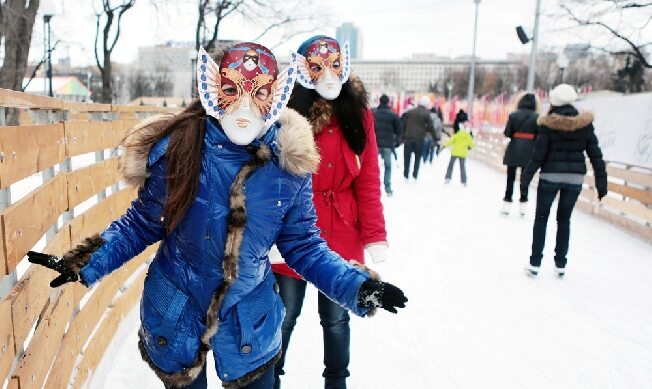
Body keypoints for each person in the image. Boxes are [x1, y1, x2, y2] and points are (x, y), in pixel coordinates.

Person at [27, 42, 407, 389]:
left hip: (249, 319)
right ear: (212, 88)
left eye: (258, 93)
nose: (244, 105)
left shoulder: (289, 166)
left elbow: (305, 247)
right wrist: (86, 261)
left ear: (276, 95)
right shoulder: (180, 150)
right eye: (231, 90)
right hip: (176, 310)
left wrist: (356, 286)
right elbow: (141, 225)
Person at [273, 36, 391, 389]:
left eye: (334, 64)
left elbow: (368, 176)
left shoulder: (358, 115)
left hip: (342, 228)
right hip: (294, 228)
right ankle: (269, 378)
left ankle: (336, 382)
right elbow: (271, 180)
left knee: (337, 318)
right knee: (284, 315)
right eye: (317, 66)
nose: (327, 74)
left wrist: (375, 234)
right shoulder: (288, 113)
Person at [520, 84, 607, 277]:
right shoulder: (584, 124)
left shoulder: (548, 124)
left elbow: (538, 155)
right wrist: (602, 182)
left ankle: (535, 263)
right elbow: (596, 155)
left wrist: (525, 179)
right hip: (574, 179)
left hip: (549, 176)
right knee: (564, 220)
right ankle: (560, 264)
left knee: (542, 219)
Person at [501, 93, 540, 216]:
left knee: (510, 179)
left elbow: (507, 133)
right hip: (529, 151)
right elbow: (539, 136)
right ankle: (523, 205)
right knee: (525, 179)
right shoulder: (537, 117)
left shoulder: (513, 115)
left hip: (514, 149)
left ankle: (507, 205)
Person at [373, 94, 402, 196]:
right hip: (387, 145)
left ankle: (372, 187)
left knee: (371, 167)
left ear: (379, 101)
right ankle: (388, 187)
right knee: (388, 166)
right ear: (388, 102)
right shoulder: (393, 115)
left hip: (374, 144)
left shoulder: (373, 113)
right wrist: (397, 142)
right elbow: (399, 130)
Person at [401, 96, 435, 180]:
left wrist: (402, 136)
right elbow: (430, 127)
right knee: (417, 157)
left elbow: (403, 124)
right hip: (419, 138)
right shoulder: (426, 114)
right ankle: (415, 174)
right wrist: (435, 137)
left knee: (407, 156)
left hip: (408, 137)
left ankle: (406, 174)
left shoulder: (410, 112)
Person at [444, 120, 475, 186]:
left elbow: (450, 141)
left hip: (455, 152)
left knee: (450, 166)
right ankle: (464, 181)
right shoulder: (468, 136)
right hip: (462, 153)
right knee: (462, 167)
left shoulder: (457, 134)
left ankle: (448, 178)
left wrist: (444, 146)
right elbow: (472, 145)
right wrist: (469, 146)